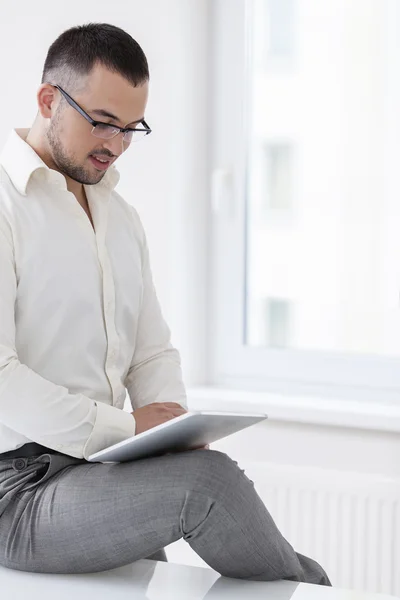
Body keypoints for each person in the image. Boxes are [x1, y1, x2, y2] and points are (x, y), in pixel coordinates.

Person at [0, 22, 331, 585]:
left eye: (131, 128)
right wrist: (128, 429)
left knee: (206, 495)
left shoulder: (120, 218)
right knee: (207, 486)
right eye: (102, 122)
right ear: (48, 99)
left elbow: (150, 353)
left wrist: (167, 431)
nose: (116, 144)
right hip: (18, 490)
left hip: (97, 474)